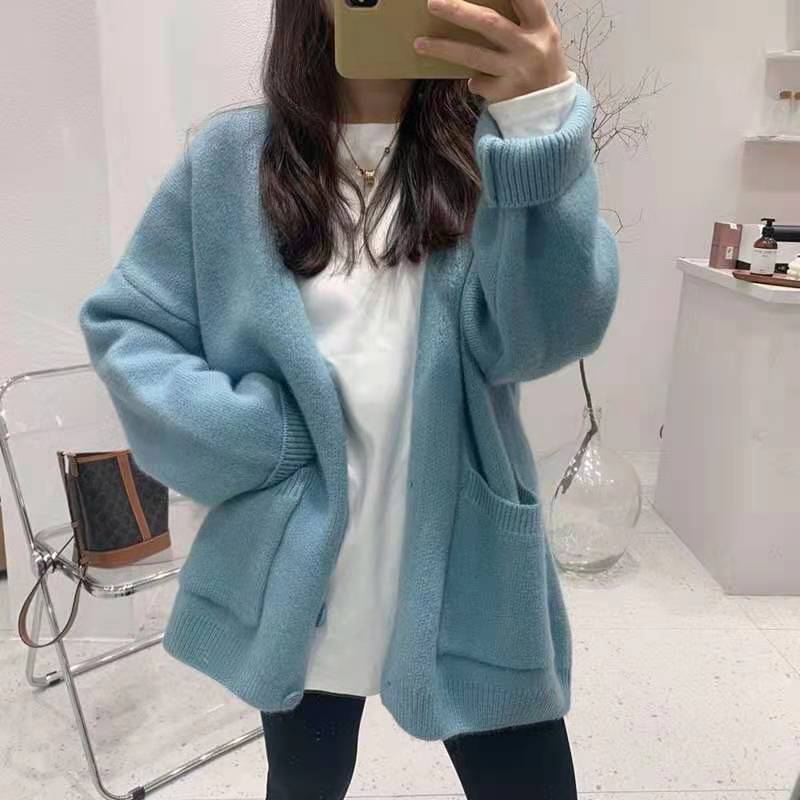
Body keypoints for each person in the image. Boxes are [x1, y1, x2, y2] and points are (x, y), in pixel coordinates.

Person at [78, 0, 619, 797]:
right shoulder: (231, 160)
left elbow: (549, 333)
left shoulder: (495, 155)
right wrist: (257, 440)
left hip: (467, 563)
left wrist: (540, 119)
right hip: (302, 581)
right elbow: (129, 326)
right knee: (305, 783)